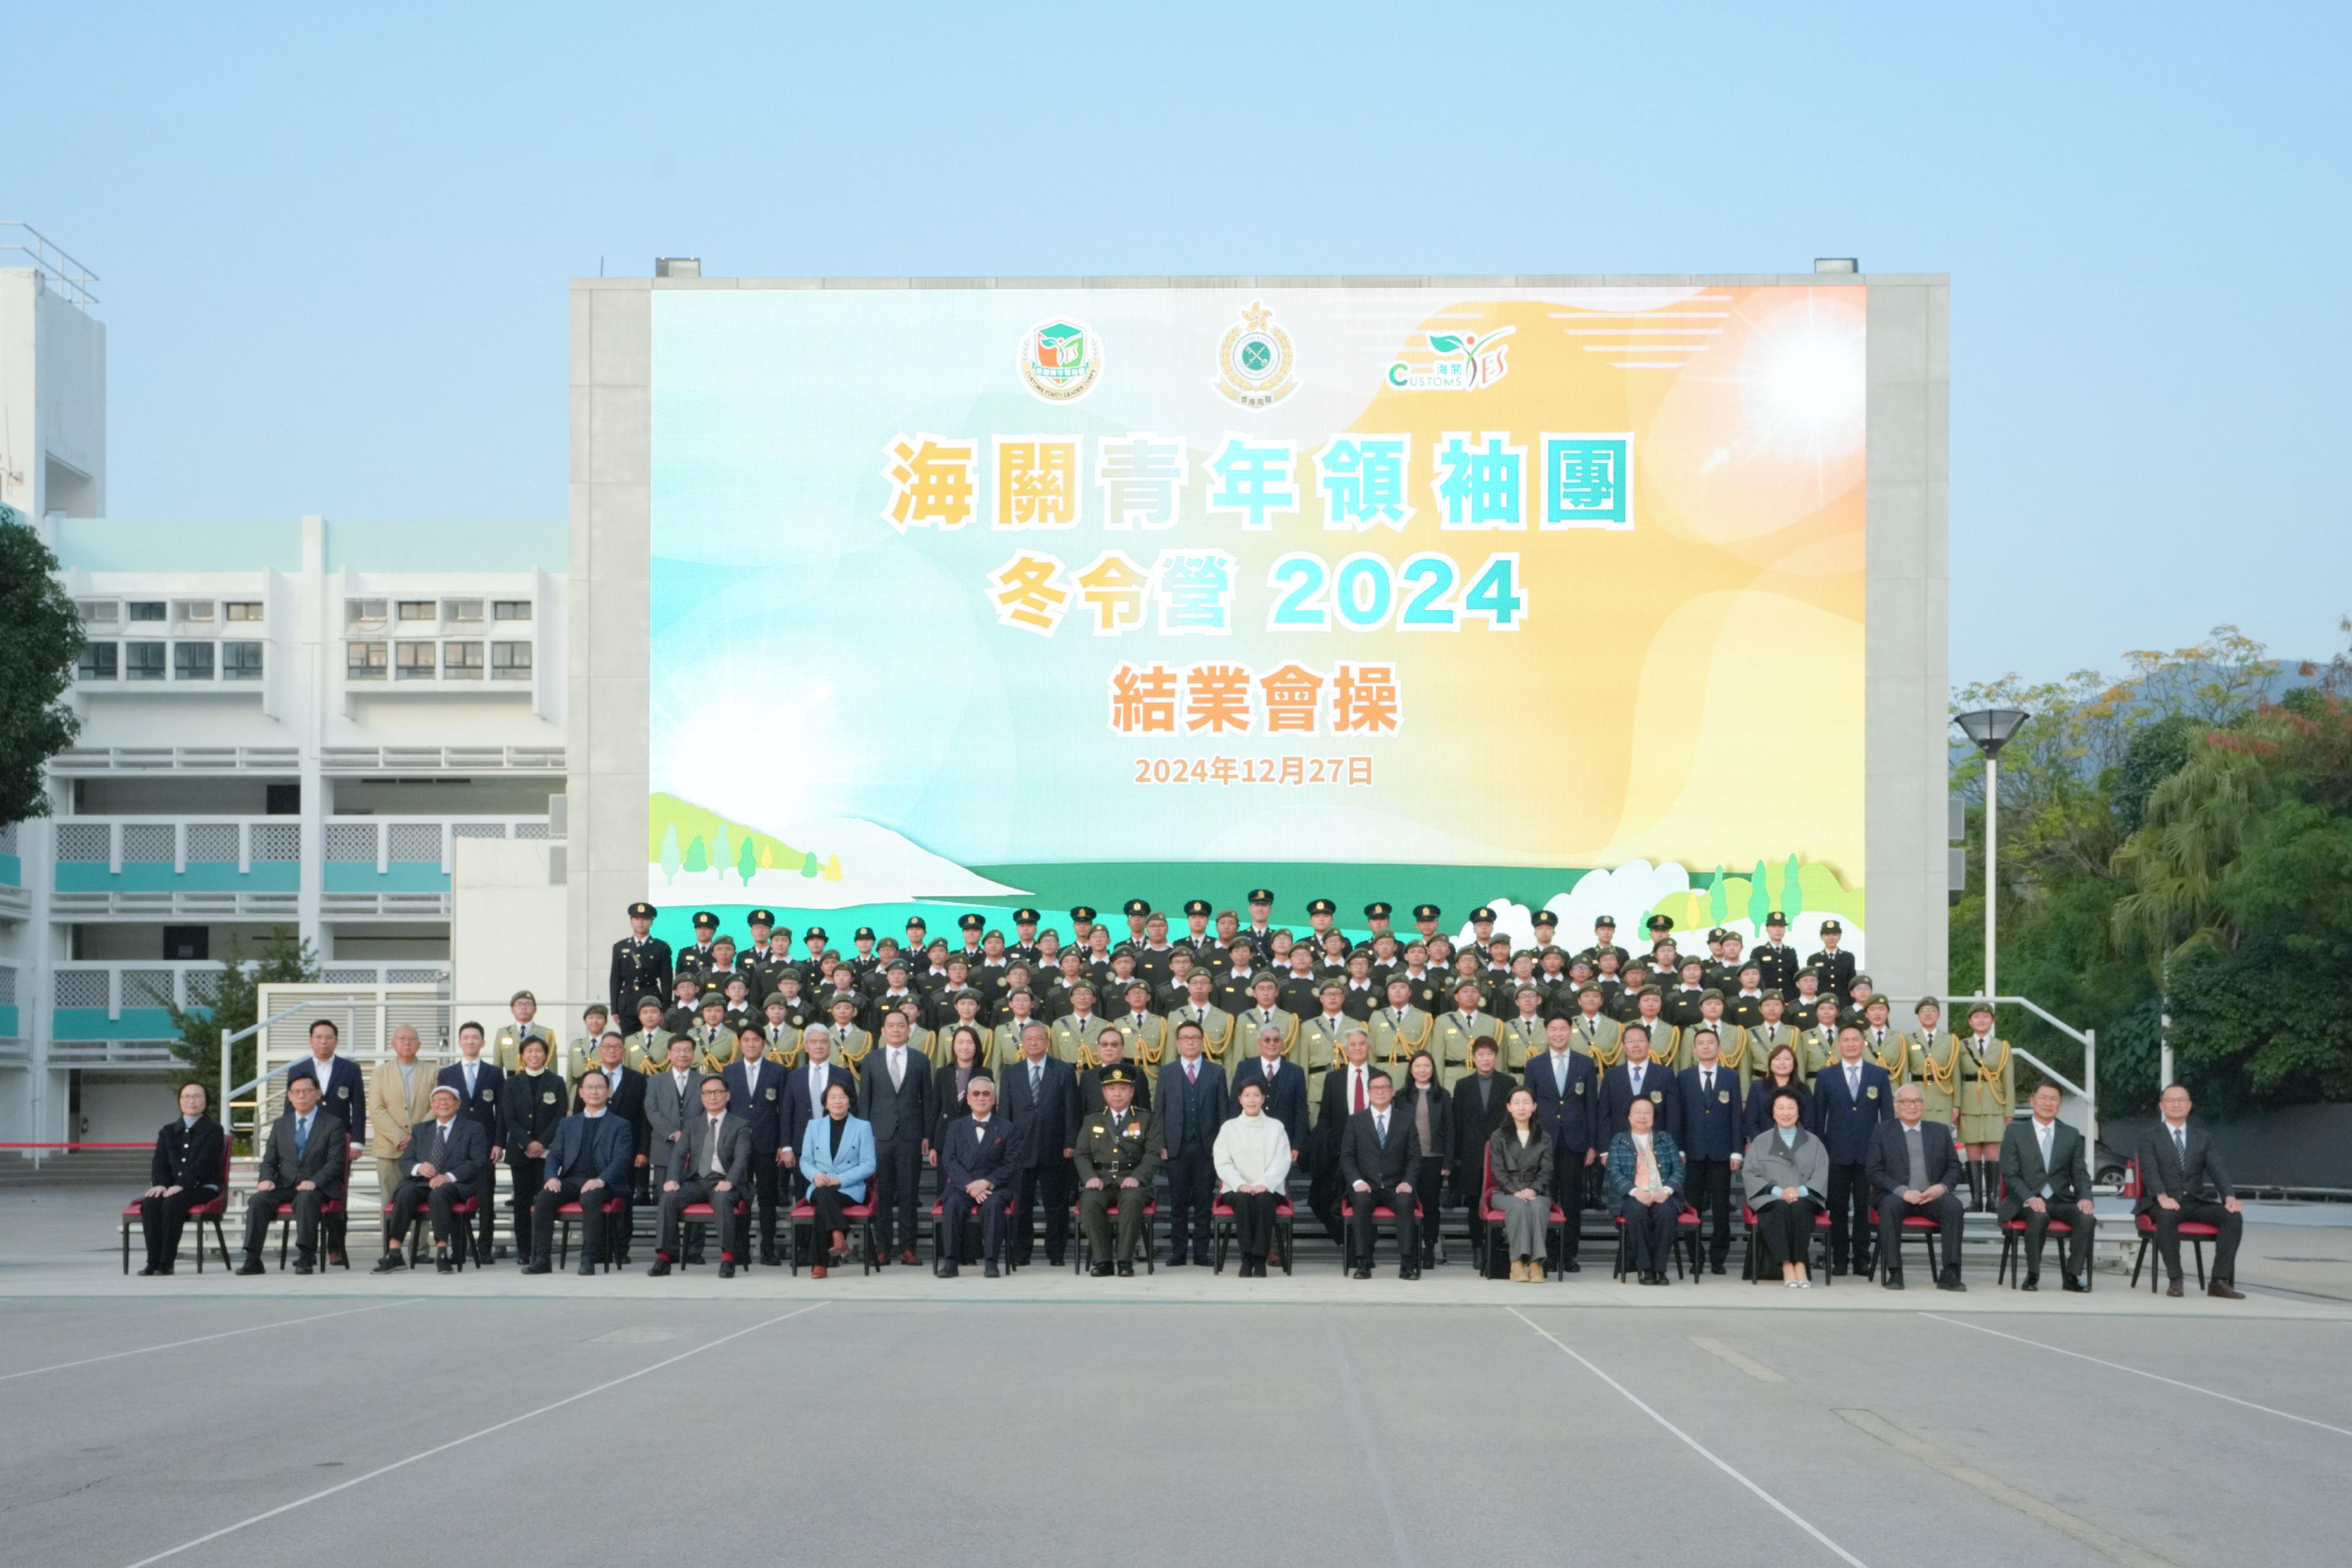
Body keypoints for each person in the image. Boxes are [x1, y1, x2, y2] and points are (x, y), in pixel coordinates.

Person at [2136, 1083, 2245, 1299]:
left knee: (2233, 1217)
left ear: (2190, 1105)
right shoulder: (2150, 1136)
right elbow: (2149, 1170)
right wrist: (2162, 1196)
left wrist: (2229, 1197)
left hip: (2196, 1201)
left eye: (2181, 1100)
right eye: (2170, 1100)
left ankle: (2219, 1281)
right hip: (2163, 1201)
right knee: (2167, 1217)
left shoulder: (2202, 1137)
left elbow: (2217, 1169)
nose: (2176, 1104)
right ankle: (2176, 1279)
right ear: (2161, 1106)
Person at [524, 1068, 635, 1275]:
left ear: (608, 1092)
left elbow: (622, 1159)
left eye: (600, 1087)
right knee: (544, 1198)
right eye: (590, 1088)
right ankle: (542, 1259)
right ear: (581, 1093)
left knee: (590, 1197)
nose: (595, 1092)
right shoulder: (568, 1123)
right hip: (572, 1179)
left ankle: (589, 1258)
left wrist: (601, 1180)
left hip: (604, 1184)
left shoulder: (621, 1125)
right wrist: (551, 1177)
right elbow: (555, 1155)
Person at [235, 1074, 347, 1275]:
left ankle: (306, 1256)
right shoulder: (280, 1125)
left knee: (305, 1199)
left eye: (307, 1091)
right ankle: (252, 1259)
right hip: (285, 1184)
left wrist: (315, 1182)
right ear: (290, 1096)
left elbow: (336, 1163)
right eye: (296, 1092)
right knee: (258, 1201)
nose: (301, 1096)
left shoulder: (333, 1124)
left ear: (318, 1094)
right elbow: (269, 1160)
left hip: (319, 1186)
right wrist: (266, 1179)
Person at [376, 1083, 489, 1273]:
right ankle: (395, 1253)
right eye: (437, 1100)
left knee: (439, 1195)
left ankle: (442, 1253)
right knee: (404, 1194)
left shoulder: (473, 1128)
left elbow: (477, 1162)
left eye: (447, 1099)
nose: (442, 1103)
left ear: (458, 1104)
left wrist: (448, 1177)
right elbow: (406, 1161)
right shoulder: (421, 1130)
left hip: (455, 1184)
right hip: (422, 1182)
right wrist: (419, 1168)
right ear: (432, 1106)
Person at [649, 1074, 752, 1277]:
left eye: (718, 1092)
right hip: (696, 1181)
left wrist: (729, 1181)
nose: (712, 1096)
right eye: (707, 1093)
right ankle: (663, 1257)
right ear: (702, 1097)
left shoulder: (740, 1124)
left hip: (724, 1182)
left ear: (727, 1096)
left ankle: (728, 1258)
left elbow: (742, 1158)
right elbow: (679, 1155)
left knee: (723, 1200)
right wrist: (672, 1179)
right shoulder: (692, 1124)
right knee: (668, 1198)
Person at [1868, 1084, 1969, 1291]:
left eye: (1917, 1101)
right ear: (1896, 1106)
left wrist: (1942, 1187)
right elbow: (1874, 1171)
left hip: (1932, 1197)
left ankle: (1950, 1272)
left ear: (1923, 1106)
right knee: (1889, 1208)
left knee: (1954, 1206)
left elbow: (1955, 1168)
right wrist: (1903, 1191)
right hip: (1896, 1195)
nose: (1912, 1106)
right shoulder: (1882, 1131)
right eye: (1906, 1102)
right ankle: (1895, 1272)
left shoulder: (1940, 1131)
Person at [1998, 1082, 2096, 1292]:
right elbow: (2010, 1175)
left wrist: (2085, 1197)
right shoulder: (2015, 1133)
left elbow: (2080, 1174)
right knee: (2038, 1215)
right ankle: (2033, 1275)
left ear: (2059, 1105)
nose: (2048, 1103)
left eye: (2054, 1099)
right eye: (2043, 1098)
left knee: (2087, 1218)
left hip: (2060, 1200)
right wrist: (2030, 1198)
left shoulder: (2071, 1134)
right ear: (2032, 1101)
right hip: (2025, 1201)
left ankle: (2072, 1275)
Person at [1813, 1024, 1893, 1276]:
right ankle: (1838, 1259)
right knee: (1837, 1208)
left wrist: (1886, 1152)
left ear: (1863, 1043)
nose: (1850, 1044)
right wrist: (1820, 1152)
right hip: (1835, 1153)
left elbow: (1888, 1117)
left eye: (1855, 1040)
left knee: (1863, 1209)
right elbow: (1818, 1118)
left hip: (1869, 1155)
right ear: (1838, 1045)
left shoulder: (1879, 1075)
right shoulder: (1826, 1076)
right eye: (1845, 1040)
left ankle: (1861, 1258)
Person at [1000, 1021, 1081, 1268]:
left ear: (1047, 1043)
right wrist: (1005, 1146)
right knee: (1021, 1205)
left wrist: (1070, 1142)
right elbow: (1005, 1112)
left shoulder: (1064, 1071)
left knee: (1055, 1205)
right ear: (1022, 1044)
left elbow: (1072, 1110)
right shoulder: (1010, 1073)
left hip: (1055, 1147)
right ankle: (1021, 1253)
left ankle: (1056, 1253)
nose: (1033, 1042)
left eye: (1038, 1039)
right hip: (1020, 1149)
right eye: (1029, 1039)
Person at [858, 1011, 936, 1267]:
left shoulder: (921, 1060)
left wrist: (927, 1135)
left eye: (901, 1026)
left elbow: (928, 1101)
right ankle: (883, 1248)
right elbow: (865, 1101)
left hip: (910, 1135)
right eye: (891, 1026)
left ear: (908, 1030)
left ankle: (908, 1248)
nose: (896, 1030)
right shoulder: (871, 1059)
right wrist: (864, 1136)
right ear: (883, 1030)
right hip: (879, 1136)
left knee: (908, 1193)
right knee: (882, 1193)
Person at [1074, 1064, 1162, 1276]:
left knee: (1132, 1202)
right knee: (1090, 1202)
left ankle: (1125, 1261)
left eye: (1123, 1089)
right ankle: (1103, 1262)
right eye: (1112, 1089)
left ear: (1132, 1092)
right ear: (1104, 1092)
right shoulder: (1092, 1119)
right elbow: (1081, 1154)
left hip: (1131, 1180)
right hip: (1101, 1180)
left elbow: (1153, 1154)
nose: (1117, 1094)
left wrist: (1137, 1177)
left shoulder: (1146, 1119)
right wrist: (1090, 1177)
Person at [1338, 1068, 1421, 1280]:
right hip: (1366, 1185)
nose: (1381, 1092)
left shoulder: (1406, 1120)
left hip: (1397, 1185)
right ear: (1369, 1093)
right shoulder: (1356, 1121)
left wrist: (1408, 1181)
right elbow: (1347, 1157)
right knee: (1362, 1203)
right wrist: (1356, 1181)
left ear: (1393, 1092)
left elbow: (1414, 1157)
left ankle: (1407, 1264)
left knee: (1405, 1203)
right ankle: (1363, 1263)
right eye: (1376, 1088)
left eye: (1385, 1088)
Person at [1157, 1020, 1227, 1268]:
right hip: (1176, 1146)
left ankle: (1201, 1252)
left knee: (1202, 1203)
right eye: (1185, 1038)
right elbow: (1160, 1112)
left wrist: (1222, 1147)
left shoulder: (1216, 1072)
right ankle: (1177, 1252)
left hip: (1206, 1147)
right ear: (1177, 1043)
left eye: (1195, 1037)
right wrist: (1162, 1143)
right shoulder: (1167, 1072)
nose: (1190, 1042)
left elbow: (1223, 1113)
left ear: (1202, 1041)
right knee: (1177, 1203)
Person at [435, 1022, 506, 1265]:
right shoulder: (447, 1074)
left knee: (486, 1199)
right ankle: (459, 1249)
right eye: (466, 1037)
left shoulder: (495, 1073)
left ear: (483, 1043)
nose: (470, 1041)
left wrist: (499, 1142)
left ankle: (484, 1248)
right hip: (455, 1146)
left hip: (485, 1145)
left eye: (475, 1038)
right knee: (456, 1196)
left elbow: (502, 1111)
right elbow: (442, 1110)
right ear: (459, 1042)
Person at [136, 1082, 225, 1275]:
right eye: (187, 1097)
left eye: (197, 1096)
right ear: (180, 1101)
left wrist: (182, 1184)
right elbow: (159, 1161)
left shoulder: (214, 1130)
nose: (192, 1101)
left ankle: (166, 1262)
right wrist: (160, 1184)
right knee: (150, 1203)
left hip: (203, 1187)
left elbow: (205, 1163)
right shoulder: (168, 1131)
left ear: (205, 1101)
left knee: (173, 1203)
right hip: (172, 1188)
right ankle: (153, 1261)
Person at [1675, 1027, 1742, 1276]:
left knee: (1721, 1207)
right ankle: (1696, 1257)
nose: (1705, 1047)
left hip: (1722, 1153)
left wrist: (1737, 1151)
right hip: (1691, 1153)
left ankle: (1718, 1258)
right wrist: (1679, 1147)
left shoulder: (1730, 1077)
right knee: (1692, 1206)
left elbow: (1736, 1115)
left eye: (1710, 1043)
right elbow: (1678, 1115)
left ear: (1719, 1048)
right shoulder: (1684, 1077)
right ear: (1694, 1050)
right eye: (1701, 1043)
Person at [1744, 1089, 1828, 1286]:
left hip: (1805, 1196)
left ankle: (1800, 1263)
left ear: (1799, 1112)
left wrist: (1800, 1191)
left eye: (1791, 1108)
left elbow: (1821, 1173)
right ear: (1773, 1112)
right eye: (1780, 1108)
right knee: (1779, 1208)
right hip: (1770, 1196)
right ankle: (1787, 1265)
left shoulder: (1813, 1141)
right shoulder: (1761, 1141)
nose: (1786, 1112)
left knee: (1799, 1207)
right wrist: (1777, 1191)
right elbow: (1750, 1173)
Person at [937, 1076, 1018, 1277]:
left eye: (986, 1094)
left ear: (993, 1099)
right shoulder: (955, 1127)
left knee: (992, 1206)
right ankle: (951, 1262)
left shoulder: (1008, 1128)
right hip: (961, 1184)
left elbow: (1012, 1163)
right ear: (969, 1100)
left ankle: (991, 1262)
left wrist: (987, 1183)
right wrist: (969, 1185)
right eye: (976, 1094)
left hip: (995, 1186)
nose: (981, 1098)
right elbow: (949, 1160)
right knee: (953, 1204)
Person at [1449, 1038, 1518, 1265]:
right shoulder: (1463, 1085)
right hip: (1471, 1154)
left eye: (1490, 1054)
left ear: (1496, 1057)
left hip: (1501, 1154)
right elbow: (1457, 1122)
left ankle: (1493, 1246)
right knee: (1474, 1202)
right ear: (1474, 1057)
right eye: (1481, 1054)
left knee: (1497, 1200)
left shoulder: (1509, 1082)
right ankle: (1477, 1246)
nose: (1485, 1059)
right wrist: (1457, 1157)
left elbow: (1514, 1121)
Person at [1214, 1080, 1292, 1276]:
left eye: (1256, 1095)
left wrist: (1264, 1184)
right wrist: (1240, 1184)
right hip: (1236, 1188)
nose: (1252, 1100)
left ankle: (1260, 1259)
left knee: (1265, 1200)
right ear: (1240, 1100)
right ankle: (1246, 1258)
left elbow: (1282, 1161)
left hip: (1269, 1188)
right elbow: (1223, 1162)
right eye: (1247, 1095)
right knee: (1243, 1200)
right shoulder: (1229, 1128)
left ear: (1263, 1099)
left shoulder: (1276, 1127)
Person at [503, 1035, 568, 1270]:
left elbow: (560, 1115)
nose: (534, 1055)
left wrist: (541, 1143)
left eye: (539, 1051)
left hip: (547, 1153)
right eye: (529, 1051)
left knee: (543, 1202)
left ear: (546, 1055)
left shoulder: (557, 1082)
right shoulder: (512, 1083)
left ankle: (541, 1250)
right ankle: (523, 1249)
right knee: (522, 1202)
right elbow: (508, 1117)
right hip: (520, 1153)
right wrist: (527, 1143)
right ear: (522, 1055)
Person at [799, 1080, 876, 1278]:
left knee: (824, 1202)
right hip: (819, 1184)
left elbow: (869, 1164)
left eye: (843, 1097)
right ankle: (838, 1234)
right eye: (833, 1097)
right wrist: (815, 1175)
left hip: (848, 1188)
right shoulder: (814, 1126)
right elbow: (805, 1160)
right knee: (824, 1194)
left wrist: (840, 1180)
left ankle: (820, 1263)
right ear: (825, 1103)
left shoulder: (862, 1127)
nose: (838, 1101)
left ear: (850, 1101)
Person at [1605, 1096, 1685, 1285]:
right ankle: (1644, 1268)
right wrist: (1635, 1191)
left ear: (1654, 1117)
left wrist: (1666, 1191)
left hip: (1661, 1193)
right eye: (1638, 1113)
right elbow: (1614, 1172)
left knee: (1666, 1213)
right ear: (1629, 1117)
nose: (1642, 1117)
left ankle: (1659, 1270)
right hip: (1632, 1195)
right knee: (1637, 1212)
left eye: (1647, 1113)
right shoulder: (1619, 1140)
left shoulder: (1665, 1139)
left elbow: (1679, 1170)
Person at [365, 1024, 440, 1206]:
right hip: (390, 1149)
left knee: (422, 1202)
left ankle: (420, 1238)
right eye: (402, 1039)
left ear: (419, 1044)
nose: (407, 1043)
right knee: (390, 1203)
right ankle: (390, 1237)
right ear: (393, 1044)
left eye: (412, 1039)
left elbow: (437, 1106)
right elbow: (376, 1109)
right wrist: (399, 1137)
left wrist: (416, 1136)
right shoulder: (380, 1073)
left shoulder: (432, 1071)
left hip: (424, 1150)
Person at [1486, 1085, 1554, 1282]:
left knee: (1539, 1207)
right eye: (1517, 1103)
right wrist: (1516, 1191)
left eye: (1526, 1103)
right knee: (1518, 1207)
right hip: (1506, 1192)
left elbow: (1547, 1170)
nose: (1522, 1107)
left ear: (1534, 1106)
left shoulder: (1544, 1137)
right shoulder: (1498, 1136)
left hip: (1536, 1191)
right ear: (1509, 1107)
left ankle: (1535, 1264)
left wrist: (1532, 1189)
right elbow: (1497, 1170)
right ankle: (1516, 1262)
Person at [1395, 1051, 1451, 1270]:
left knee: (1430, 1206)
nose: (1422, 1070)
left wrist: (1447, 1162)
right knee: (1407, 1205)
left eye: (1427, 1066)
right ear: (1411, 1070)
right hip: (1407, 1161)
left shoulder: (1443, 1095)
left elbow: (1450, 1130)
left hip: (1434, 1159)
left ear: (1433, 1069)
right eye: (1418, 1066)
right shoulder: (1401, 1096)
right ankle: (1410, 1249)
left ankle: (1429, 1249)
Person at [1957, 1001, 2014, 1211]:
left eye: (1986, 1016)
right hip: (1969, 1101)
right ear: (1970, 1021)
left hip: (1994, 1101)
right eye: (1977, 1017)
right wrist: (1957, 1106)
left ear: (1992, 1021)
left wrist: (2009, 1110)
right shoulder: (1962, 1046)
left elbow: (2008, 1079)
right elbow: (1956, 1077)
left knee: (1993, 1152)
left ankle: (1992, 1199)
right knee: (1972, 1150)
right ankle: (1975, 1200)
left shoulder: (2002, 1046)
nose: (1981, 1020)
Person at [611, 900, 674, 1022]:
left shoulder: (661, 947)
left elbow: (666, 981)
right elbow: (615, 979)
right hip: (627, 1002)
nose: (640, 922)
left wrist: (665, 1009)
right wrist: (615, 1009)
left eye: (645, 919)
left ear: (651, 922)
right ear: (631, 922)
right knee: (629, 1040)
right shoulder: (620, 947)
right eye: (636, 918)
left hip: (652, 999)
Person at [1743, 1041, 1812, 1139]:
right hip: (1764, 1146)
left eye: (1787, 1059)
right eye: (1777, 1059)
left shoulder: (1803, 1090)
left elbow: (1809, 1124)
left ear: (1794, 1064)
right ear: (1770, 1063)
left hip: (1797, 1147)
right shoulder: (1757, 1087)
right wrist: (1761, 1144)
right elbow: (1751, 1122)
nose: (1782, 1063)